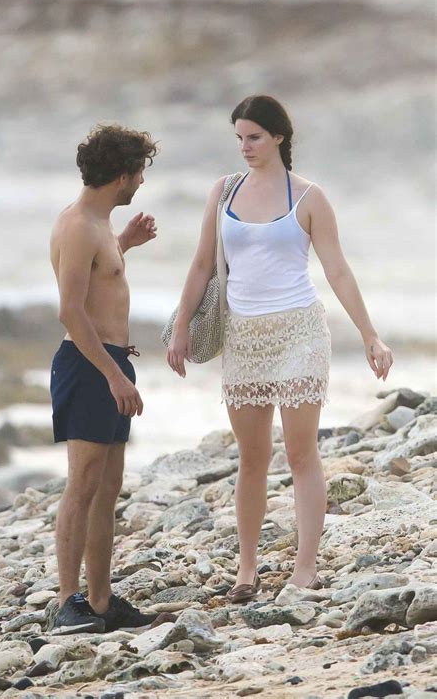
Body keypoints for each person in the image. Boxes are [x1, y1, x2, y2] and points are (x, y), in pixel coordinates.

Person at [167, 95, 394, 602]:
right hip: (243, 335)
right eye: (239, 138)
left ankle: (304, 569)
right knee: (250, 457)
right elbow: (202, 265)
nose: (244, 147)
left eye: (254, 137)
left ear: (278, 138)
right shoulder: (223, 191)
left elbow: (337, 270)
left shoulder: (309, 197)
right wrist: (181, 326)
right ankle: (246, 571)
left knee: (299, 451)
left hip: (300, 333)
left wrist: (369, 334)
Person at [50, 123, 173, 633]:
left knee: (108, 487)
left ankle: (100, 602)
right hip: (88, 366)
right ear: (122, 175)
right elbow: (71, 313)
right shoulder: (78, 225)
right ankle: (67, 602)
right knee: (82, 484)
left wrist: (125, 243)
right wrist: (114, 376)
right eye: (140, 172)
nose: (142, 182)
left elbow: (102, 279)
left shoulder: (100, 226)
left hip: (109, 361)